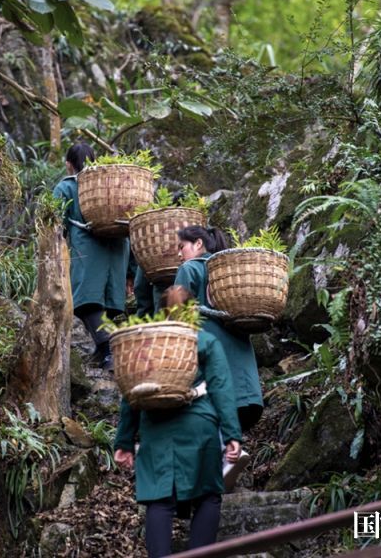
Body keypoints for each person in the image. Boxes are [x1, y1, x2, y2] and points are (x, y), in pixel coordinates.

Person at [113, 294, 243, 557]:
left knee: (160, 500)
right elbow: (220, 387)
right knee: (207, 495)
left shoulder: (146, 345)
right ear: (193, 312)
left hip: (156, 427)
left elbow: (131, 393)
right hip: (199, 425)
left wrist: (124, 441)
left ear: (162, 313)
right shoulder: (203, 340)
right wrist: (232, 434)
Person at [173, 225, 264, 488]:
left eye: (182, 247)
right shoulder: (230, 275)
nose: (180, 254)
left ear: (198, 243)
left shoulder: (191, 269)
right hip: (243, 368)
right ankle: (229, 455)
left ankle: (226, 457)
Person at [52, 142, 130, 369]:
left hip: (89, 250)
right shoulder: (109, 187)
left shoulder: (67, 187)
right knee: (103, 301)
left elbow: (55, 224)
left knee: (84, 302)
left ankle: (109, 349)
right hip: (118, 251)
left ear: (69, 165)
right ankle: (101, 351)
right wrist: (131, 271)